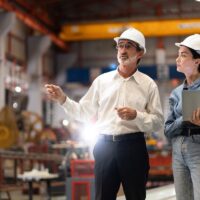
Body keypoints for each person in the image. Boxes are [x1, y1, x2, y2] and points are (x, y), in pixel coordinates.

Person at [45, 27, 164, 200]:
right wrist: (63, 99)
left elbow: (158, 121)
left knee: (136, 196)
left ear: (140, 53)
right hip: (104, 147)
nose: (122, 50)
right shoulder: (102, 81)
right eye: (120, 46)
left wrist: (136, 116)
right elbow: (84, 112)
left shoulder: (148, 85)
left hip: (133, 147)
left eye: (128, 46)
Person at [165, 34, 200, 200]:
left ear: (197, 61)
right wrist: (185, 118)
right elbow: (167, 129)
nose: (178, 59)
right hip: (178, 150)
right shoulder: (176, 93)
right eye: (178, 54)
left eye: (184, 54)